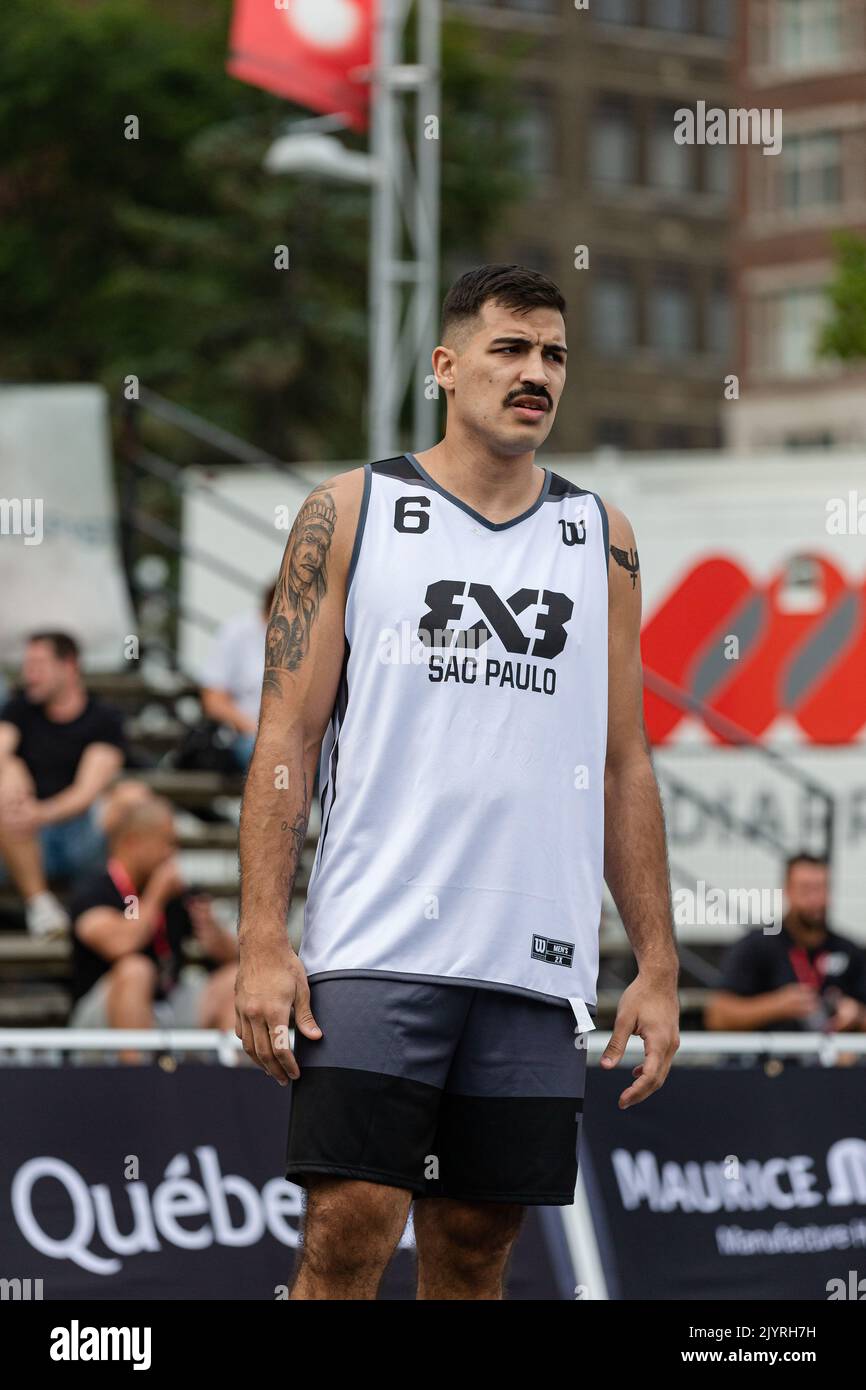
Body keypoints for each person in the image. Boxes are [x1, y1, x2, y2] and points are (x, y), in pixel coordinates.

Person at [235, 263, 680, 1300]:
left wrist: (656, 963)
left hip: (533, 957)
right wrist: (263, 936)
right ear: (445, 366)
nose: (535, 374)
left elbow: (624, 761)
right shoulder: (348, 510)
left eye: (553, 355)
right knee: (348, 1226)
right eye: (509, 350)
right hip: (376, 939)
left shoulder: (599, 537)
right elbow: (283, 738)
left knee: (479, 1240)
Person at [67, 794, 238, 1036]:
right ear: (133, 842)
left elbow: (232, 957)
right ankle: (136, 1072)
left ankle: (235, 1072)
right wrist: (156, 894)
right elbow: (119, 944)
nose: (171, 853)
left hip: (165, 1004)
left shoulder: (176, 893)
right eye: (166, 843)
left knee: (235, 979)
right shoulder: (94, 889)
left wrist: (213, 932)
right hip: (100, 1019)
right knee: (136, 971)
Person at [0, 632, 126, 937]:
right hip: (24, 840)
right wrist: (12, 766)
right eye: (27, 664)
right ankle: (40, 904)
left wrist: (38, 813)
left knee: (131, 799)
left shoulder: (103, 718)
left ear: (69, 665)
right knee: (5, 785)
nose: (29, 673)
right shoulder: (20, 708)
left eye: (38, 664)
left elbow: (85, 793)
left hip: (78, 835)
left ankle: (126, 906)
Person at [704, 853, 866, 1034]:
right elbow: (716, 1016)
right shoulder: (757, 946)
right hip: (772, 1060)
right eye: (805, 889)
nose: (815, 899)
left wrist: (857, 1016)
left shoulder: (851, 952)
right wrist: (776, 1006)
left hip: (838, 1061)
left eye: (821, 888)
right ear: (787, 891)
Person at [200, 582, 276, 769]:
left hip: (292, 738)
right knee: (271, 759)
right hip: (248, 735)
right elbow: (213, 700)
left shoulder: (310, 636)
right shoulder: (237, 631)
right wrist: (254, 729)